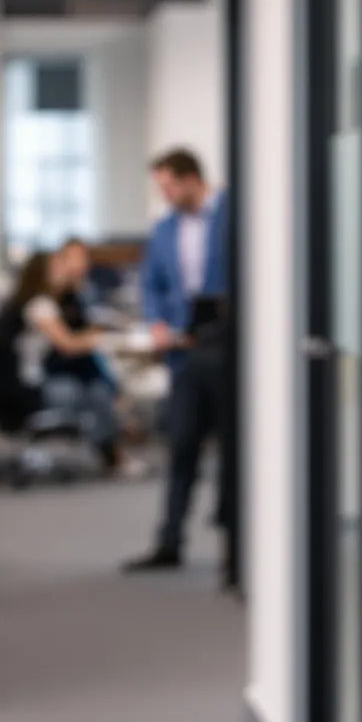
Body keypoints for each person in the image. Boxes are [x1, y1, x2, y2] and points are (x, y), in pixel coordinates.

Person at [123, 148, 233, 579]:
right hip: (183, 354)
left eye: (168, 186)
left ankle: (234, 551)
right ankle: (169, 542)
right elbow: (151, 285)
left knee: (232, 451)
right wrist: (155, 324)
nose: (164, 195)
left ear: (191, 180)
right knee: (182, 447)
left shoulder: (230, 214)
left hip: (225, 350)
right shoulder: (164, 229)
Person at [0, 241, 125, 473]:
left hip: (21, 382)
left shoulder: (36, 301)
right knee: (93, 392)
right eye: (58, 265)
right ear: (43, 272)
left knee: (97, 390)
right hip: (29, 385)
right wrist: (106, 339)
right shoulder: (41, 305)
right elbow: (68, 345)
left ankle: (110, 454)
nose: (64, 270)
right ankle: (110, 455)